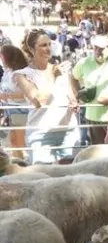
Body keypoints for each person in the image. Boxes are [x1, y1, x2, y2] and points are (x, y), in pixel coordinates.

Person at [14, 29, 81, 163]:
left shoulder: (59, 69)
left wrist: (74, 104)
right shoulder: (22, 74)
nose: (48, 48)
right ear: (31, 49)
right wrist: (53, 76)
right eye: (43, 45)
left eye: (49, 44)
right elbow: (39, 100)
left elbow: (71, 97)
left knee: (72, 177)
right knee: (43, 179)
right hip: (41, 134)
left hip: (68, 131)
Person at [70, 34, 108, 145]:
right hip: (93, 115)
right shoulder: (84, 63)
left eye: (102, 48)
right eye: (95, 47)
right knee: (97, 151)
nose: (98, 51)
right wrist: (78, 94)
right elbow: (72, 77)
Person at [0, 45, 30, 159]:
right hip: (10, 108)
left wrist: (5, 95)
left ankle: (25, 166)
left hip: (20, 109)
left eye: (1, 56)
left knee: (20, 142)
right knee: (13, 140)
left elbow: (26, 93)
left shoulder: (20, 73)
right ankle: (18, 163)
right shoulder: (8, 71)